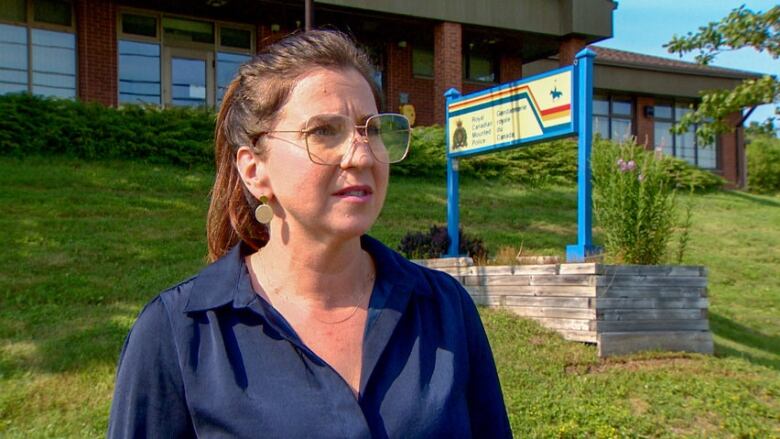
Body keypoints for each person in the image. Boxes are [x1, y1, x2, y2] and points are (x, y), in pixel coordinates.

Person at [108, 30, 511, 438]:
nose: (361, 154)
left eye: (371, 130)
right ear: (254, 170)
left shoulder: (445, 310)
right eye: (323, 131)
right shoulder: (179, 334)